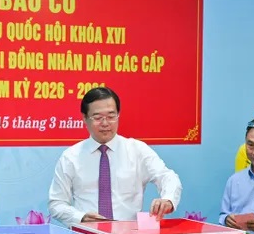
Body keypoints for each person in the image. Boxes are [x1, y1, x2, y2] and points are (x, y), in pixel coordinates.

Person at [48, 87, 182, 226]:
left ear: (118, 115)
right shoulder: (71, 157)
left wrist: (168, 199)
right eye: (97, 118)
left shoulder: (137, 150)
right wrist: (80, 217)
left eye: (111, 117)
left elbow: (167, 177)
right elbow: (56, 203)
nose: (105, 123)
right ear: (85, 118)